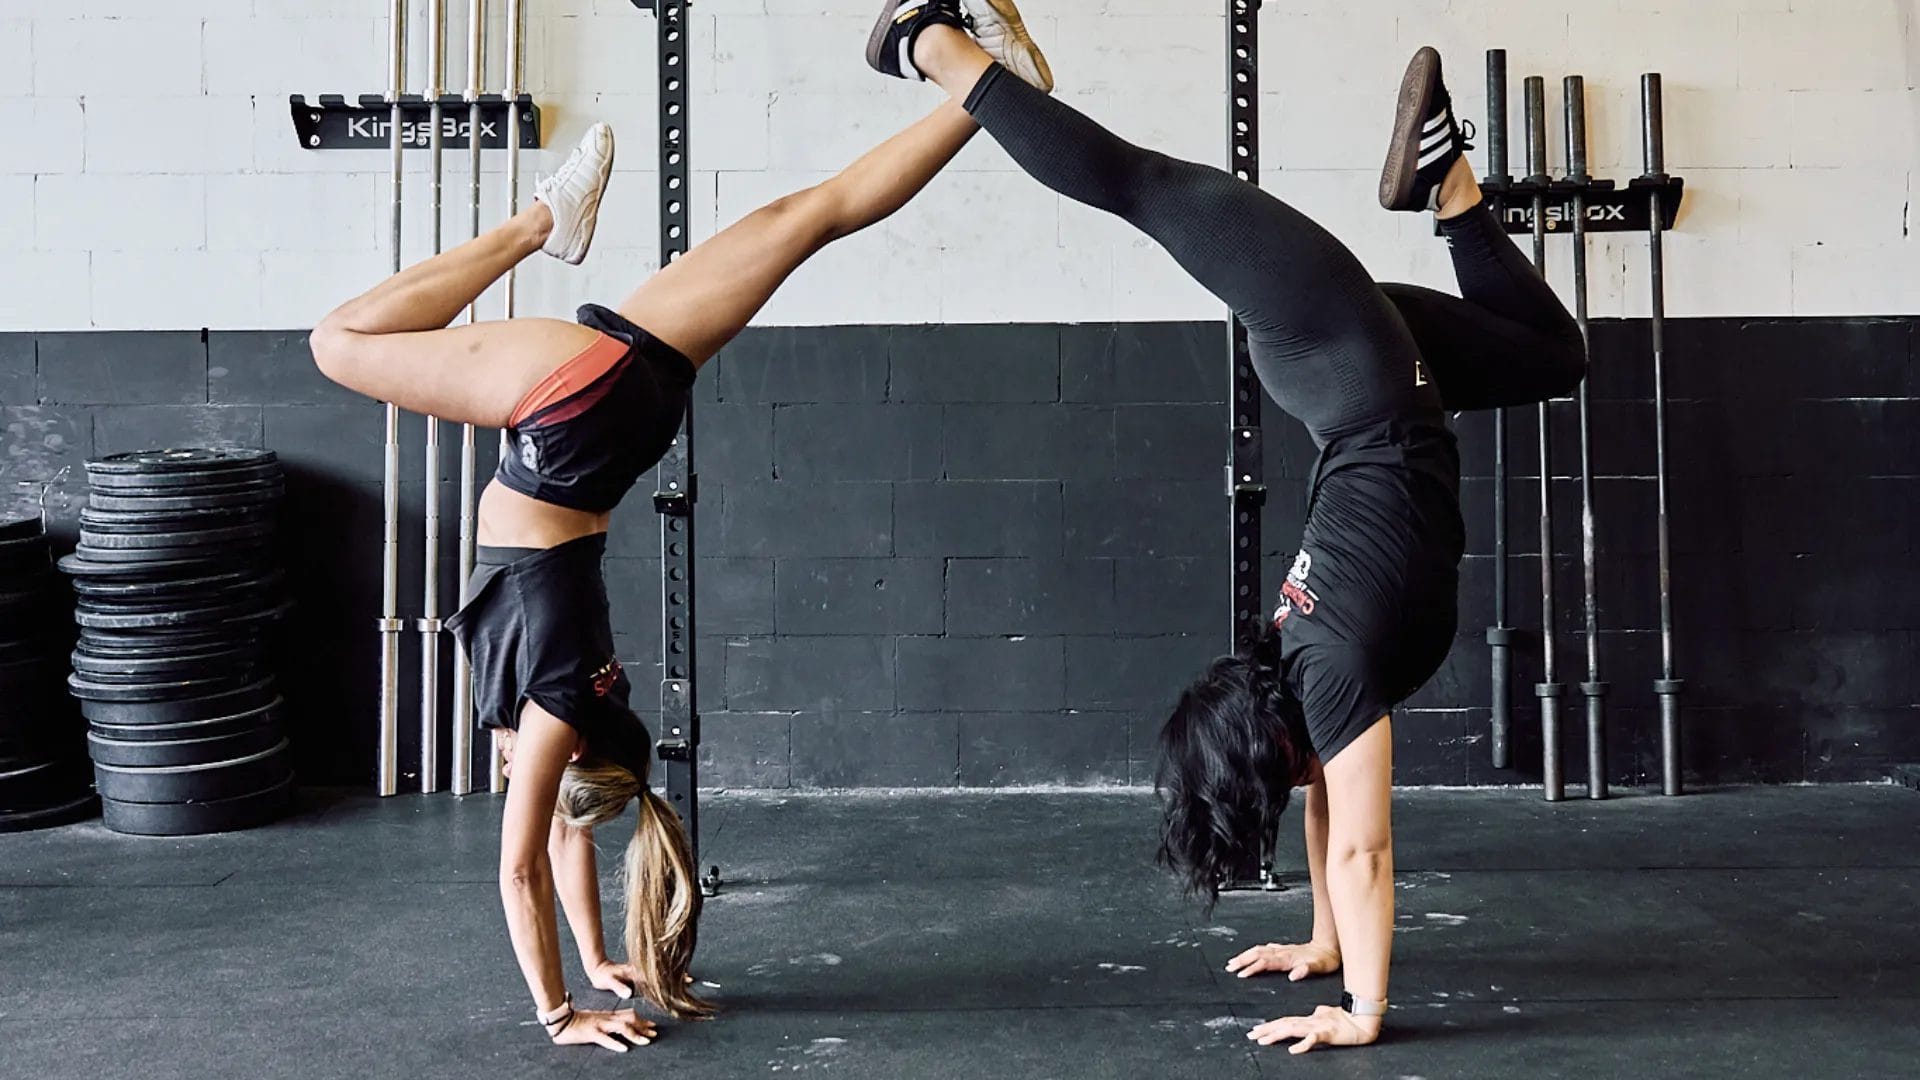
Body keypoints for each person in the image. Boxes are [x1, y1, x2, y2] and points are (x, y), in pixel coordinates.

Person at [865, 0, 1585, 1054]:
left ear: (1279, 747)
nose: (1299, 793)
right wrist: (1323, 950)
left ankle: (930, 41)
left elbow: (1364, 855)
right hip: (1383, 375)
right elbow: (1335, 823)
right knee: (1551, 357)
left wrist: (1364, 1016)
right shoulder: (1314, 684)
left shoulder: (1328, 675)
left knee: (1143, 188)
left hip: (1335, 348)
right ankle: (1447, 180)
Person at [309, 83, 999, 1050]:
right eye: (535, 776)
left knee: (805, 218)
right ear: (571, 760)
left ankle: (985, 92)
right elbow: (525, 864)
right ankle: (542, 221)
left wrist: (602, 962)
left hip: (629, 415)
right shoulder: (557, 712)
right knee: (337, 343)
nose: (513, 771)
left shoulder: (598, 709)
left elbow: (567, 836)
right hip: (567, 422)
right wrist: (561, 1013)